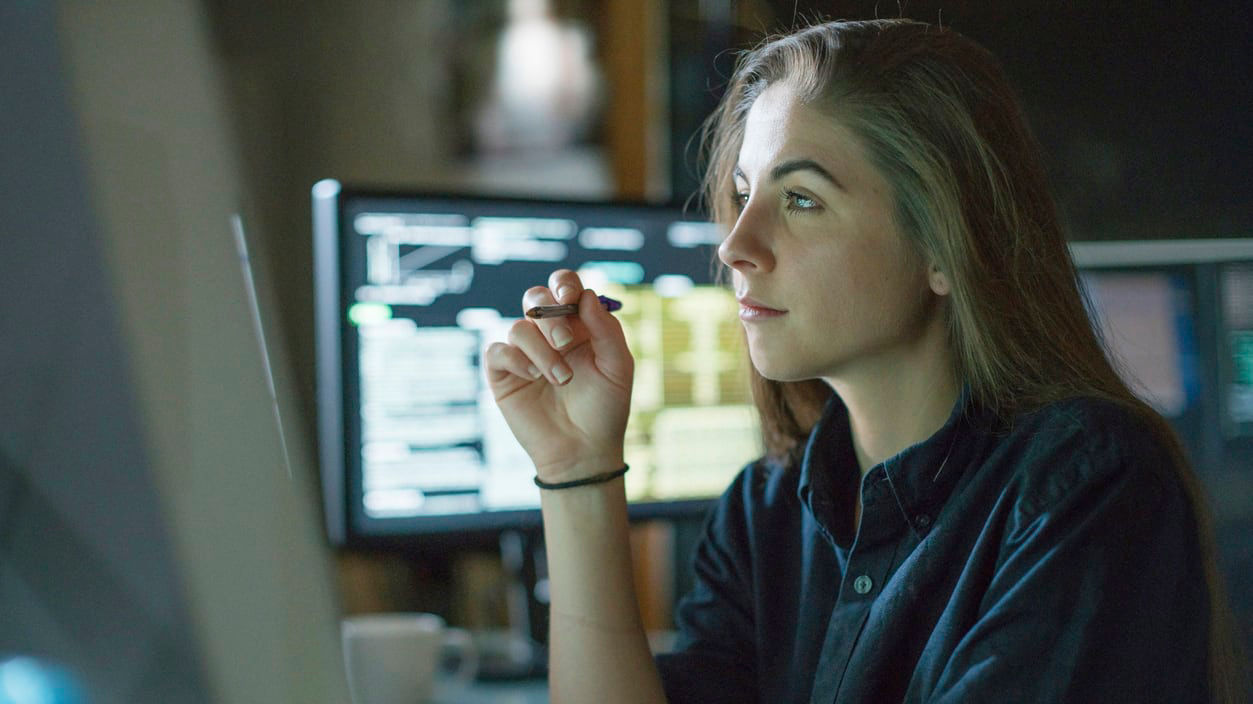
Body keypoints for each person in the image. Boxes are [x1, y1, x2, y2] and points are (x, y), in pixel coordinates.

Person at [483, 18, 1246, 703]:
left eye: (801, 200)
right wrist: (577, 469)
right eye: (743, 194)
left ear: (944, 245)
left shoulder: (1084, 483)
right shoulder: (763, 512)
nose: (734, 246)